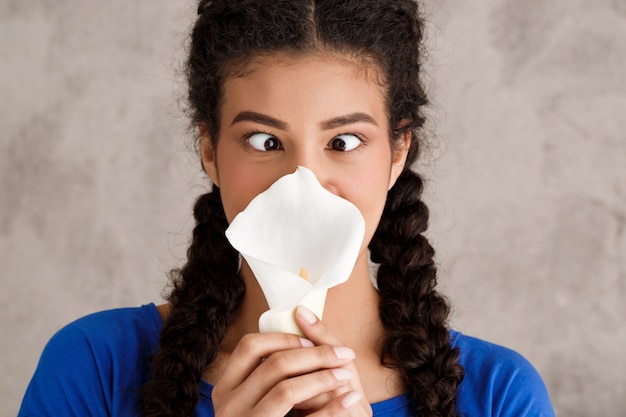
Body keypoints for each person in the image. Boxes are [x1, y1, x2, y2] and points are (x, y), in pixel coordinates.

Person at [18, 0, 556, 416]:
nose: (302, 184)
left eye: (343, 142)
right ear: (210, 150)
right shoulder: (95, 365)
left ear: (397, 153)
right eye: (263, 141)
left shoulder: (500, 393)